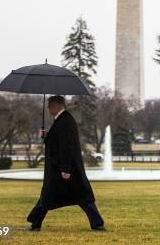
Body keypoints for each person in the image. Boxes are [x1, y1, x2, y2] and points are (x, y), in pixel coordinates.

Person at [23, 95, 105, 231]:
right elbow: (57, 142)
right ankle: (35, 224)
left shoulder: (66, 121)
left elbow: (67, 147)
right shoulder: (61, 120)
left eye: (50, 105)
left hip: (64, 169)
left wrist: (66, 169)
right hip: (60, 168)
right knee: (51, 196)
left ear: (58, 105)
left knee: (79, 197)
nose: (48, 108)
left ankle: (97, 224)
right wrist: (45, 136)